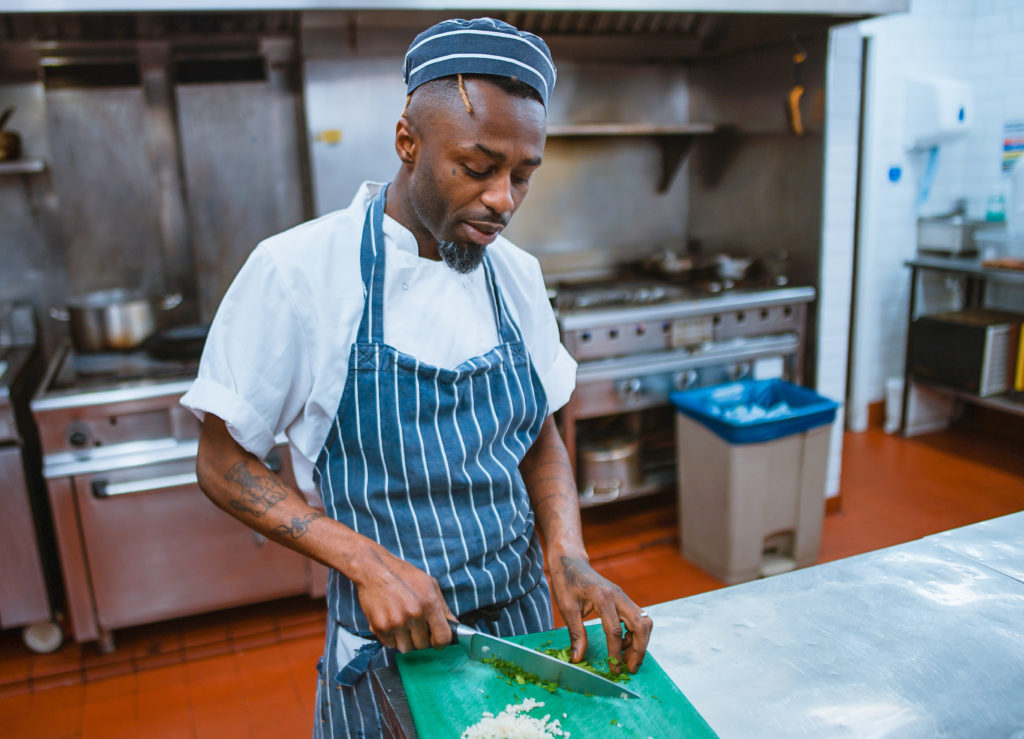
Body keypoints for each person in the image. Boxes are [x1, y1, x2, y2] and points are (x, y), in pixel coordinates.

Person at [182, 16, 653, 738]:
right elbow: (220, 463)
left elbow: (538, 434)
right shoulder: (300, 271)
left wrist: (568, 556)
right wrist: (363, 561)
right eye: (478, 167)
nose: (503, 199)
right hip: (391, 651)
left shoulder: (517, 277)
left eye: (522, 176)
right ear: (408, 140)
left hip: (524, 631)